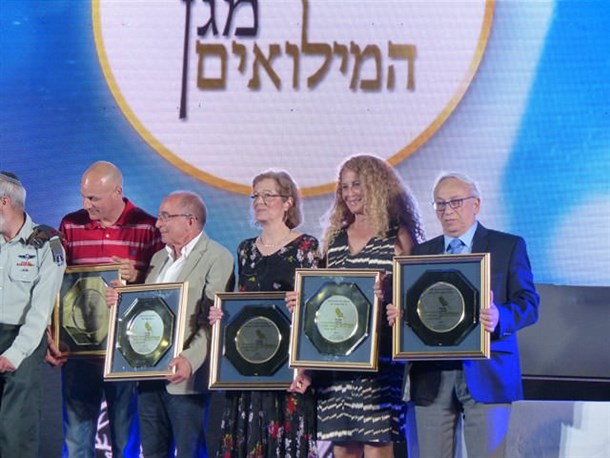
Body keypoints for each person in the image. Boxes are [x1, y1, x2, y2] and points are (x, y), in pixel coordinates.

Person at [389, 172, 539, 458]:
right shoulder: (421, 253)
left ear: (476, 205)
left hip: (489, 371)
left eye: (456, 202)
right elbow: (412, 312)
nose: (448, 211)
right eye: (440, 204)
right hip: (431, 376)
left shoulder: (508, 246)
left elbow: (529, 303)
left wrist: (499, 318)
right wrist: (401, 317)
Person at [46, 161, 163, 458]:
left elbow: (164, 289)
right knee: (76, 436)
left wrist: (138, 277)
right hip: (79, 350)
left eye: (94, 199)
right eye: (83, 197)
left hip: (127, 351)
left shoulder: (148, 227)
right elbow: (56, 283)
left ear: (117, 192)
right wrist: (53, 334)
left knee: (127, 436)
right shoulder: (70, 225)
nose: (86, 205)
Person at [108, 190, 235, 457]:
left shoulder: (218, 257)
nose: (158, 224)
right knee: (152, 452)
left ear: (191, 220)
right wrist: (121, 297)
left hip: (185, 379)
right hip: (148, 375)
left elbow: (214, 320)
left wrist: (190, 359)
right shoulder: (157, 259)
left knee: (190, 451)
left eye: (166, 217)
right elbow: (146, 313)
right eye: (159, 217)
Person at [315, 155, 424, 458]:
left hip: (380, 359)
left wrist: (391, 294)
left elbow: (413, 295)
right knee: (342, 445)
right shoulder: (334, 240)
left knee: (377, 444)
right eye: (345, 187)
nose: (350, 194)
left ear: (376, 187)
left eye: (357, 185)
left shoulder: (397, 237)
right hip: (338, 359)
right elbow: (323, 296)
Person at [208, 170, 320, 457]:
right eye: (255, 195)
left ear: (288, 202)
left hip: (289, 373)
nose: (259, 200)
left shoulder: (307, 247)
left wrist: (306, 370)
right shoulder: (245, 250)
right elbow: (241, 306)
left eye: (268, 194)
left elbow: (316, 312)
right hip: (248, 369)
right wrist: (222, 319)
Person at [0, 171, 66, 458]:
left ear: (3, 202)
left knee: (16, 432)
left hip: (22, 340)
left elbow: (40, 311)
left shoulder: (48, 244)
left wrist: (13, 355)